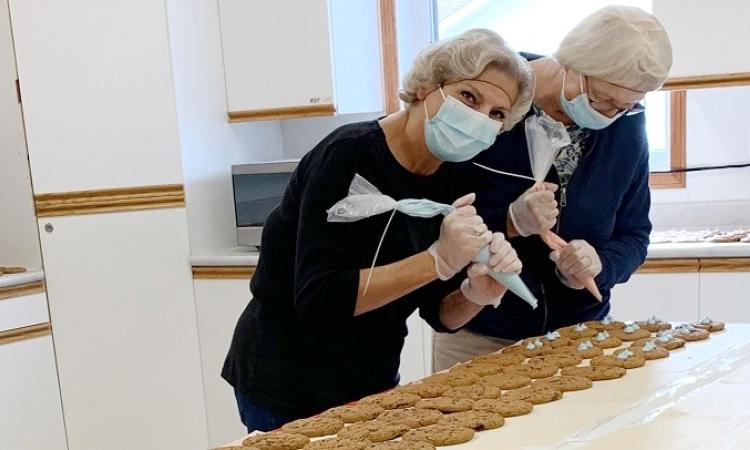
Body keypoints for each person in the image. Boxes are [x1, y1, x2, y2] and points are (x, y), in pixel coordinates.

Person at [222, 29, 534, 432]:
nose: (479, 118)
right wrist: (435, 260)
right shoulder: (348, 154)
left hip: (372, 379)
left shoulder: (455, 174)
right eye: (469, 97)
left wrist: (476, 293)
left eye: (496, 114)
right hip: (288, 380)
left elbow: (440, 314)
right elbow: (319, 299)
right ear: (425, 87)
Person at [432, 6, 674, 371]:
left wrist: (599, 265)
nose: (611, 115)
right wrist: (509, 221)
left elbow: (635, 234)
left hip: (581, 337)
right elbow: (432, 219)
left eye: (628, 105)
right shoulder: (491, 99)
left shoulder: (626, 126)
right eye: (604, 100)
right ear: (570, 63)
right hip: (482, 336)